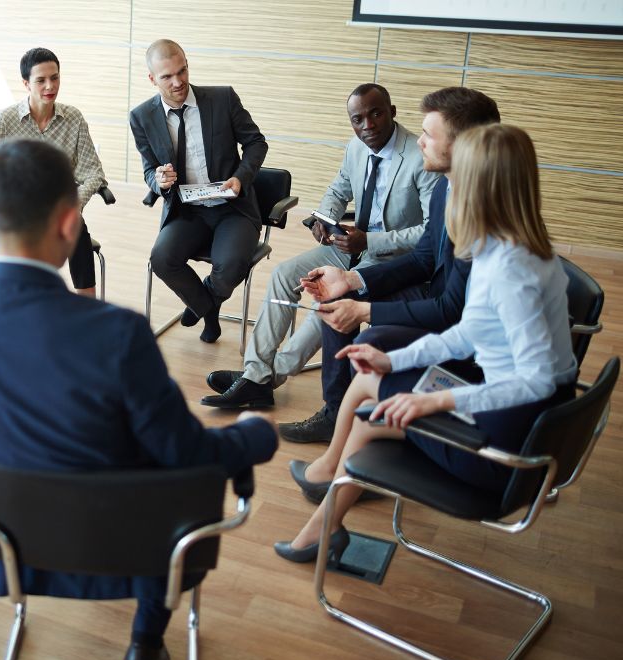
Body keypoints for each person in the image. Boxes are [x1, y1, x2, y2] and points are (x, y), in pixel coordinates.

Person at [0, 139, 277, 660]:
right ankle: (144, 643)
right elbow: (185, 451)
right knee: (172, 489)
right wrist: (253, 438)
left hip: (7, 538)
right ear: (69, 222)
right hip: (129, 542)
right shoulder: (117, 333)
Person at [274, 123, 577, 564]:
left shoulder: (512, 270)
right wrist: (395, 359)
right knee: (371, 404)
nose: (446, 185)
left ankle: (322, 527)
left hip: (508, 443)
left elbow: (536, 382)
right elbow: (470, 332)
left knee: (370, 410)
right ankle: (323, 527)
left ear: (478, 186)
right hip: (510, 413)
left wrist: (434, 403)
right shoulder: (503, 247)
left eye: (457, 177)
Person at [276, 87, 501, 445]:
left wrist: (365, 309)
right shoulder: (447, 187)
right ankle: (336, 414)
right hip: (433, 289)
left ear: (463, 145)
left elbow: (451, 311)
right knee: (339, 299)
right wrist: (351, 280)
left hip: (459, 325)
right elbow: (424, 258)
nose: (420, 141)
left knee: (367, 335)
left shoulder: (485, 216)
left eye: (429, 134)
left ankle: (362, 435)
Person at [202, 83, 439, 409]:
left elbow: (430, 232)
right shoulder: (356, 148)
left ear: (392, 112)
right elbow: (338, 189)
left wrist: (369, 240)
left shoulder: (418, 156)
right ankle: (255, 372)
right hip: (348, 246)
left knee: (328, 296)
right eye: (358, 119)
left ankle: (267, 378)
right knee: (285, 274)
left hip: (393, 257)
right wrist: (323, 219)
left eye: (375, 114)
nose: (367, 125)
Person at [130, 39, 268, 343]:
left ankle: (202, 301)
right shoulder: (141, 117)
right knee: (162, 258)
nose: (178, 82)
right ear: (152, 79)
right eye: (167, 77)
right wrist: (159, 180)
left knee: (230, 265)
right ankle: (208, 309)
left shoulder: (221, 99)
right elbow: (149, 171)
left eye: (182, 71)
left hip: (232, 207)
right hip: (186, 209)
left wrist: (241, 177)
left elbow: (256, 143)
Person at [0, 47, 107, 296]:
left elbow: (93, 172)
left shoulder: (73, 119)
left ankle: (86, 305)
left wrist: (75, 202)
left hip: (59, 209)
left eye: (55, 78)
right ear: (26, 83)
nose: (50, 86)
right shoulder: (4, 121)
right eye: (41, 80)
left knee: (75, 225)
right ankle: (30, 306)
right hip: (18, 212)